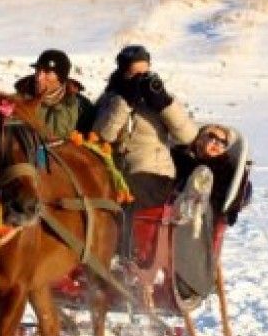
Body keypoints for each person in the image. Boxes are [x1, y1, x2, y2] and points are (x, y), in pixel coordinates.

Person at [91, 44, 198, 212]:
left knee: (127, 199)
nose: (141, 79)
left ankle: (125, 239)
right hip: (116, 173)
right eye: (135, 75)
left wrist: (164, 104)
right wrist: (125, 102)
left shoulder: (161, 96)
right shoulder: (110, 100)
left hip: (154, 174)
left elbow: (188, 136)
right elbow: (102, 136)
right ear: (123, 73)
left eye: (145, 73)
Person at [12, 49, 95, 140]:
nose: (39, 77)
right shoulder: (18, 102)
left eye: (47, 72)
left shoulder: (82, 108)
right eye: (38, 70)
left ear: (61, 77)